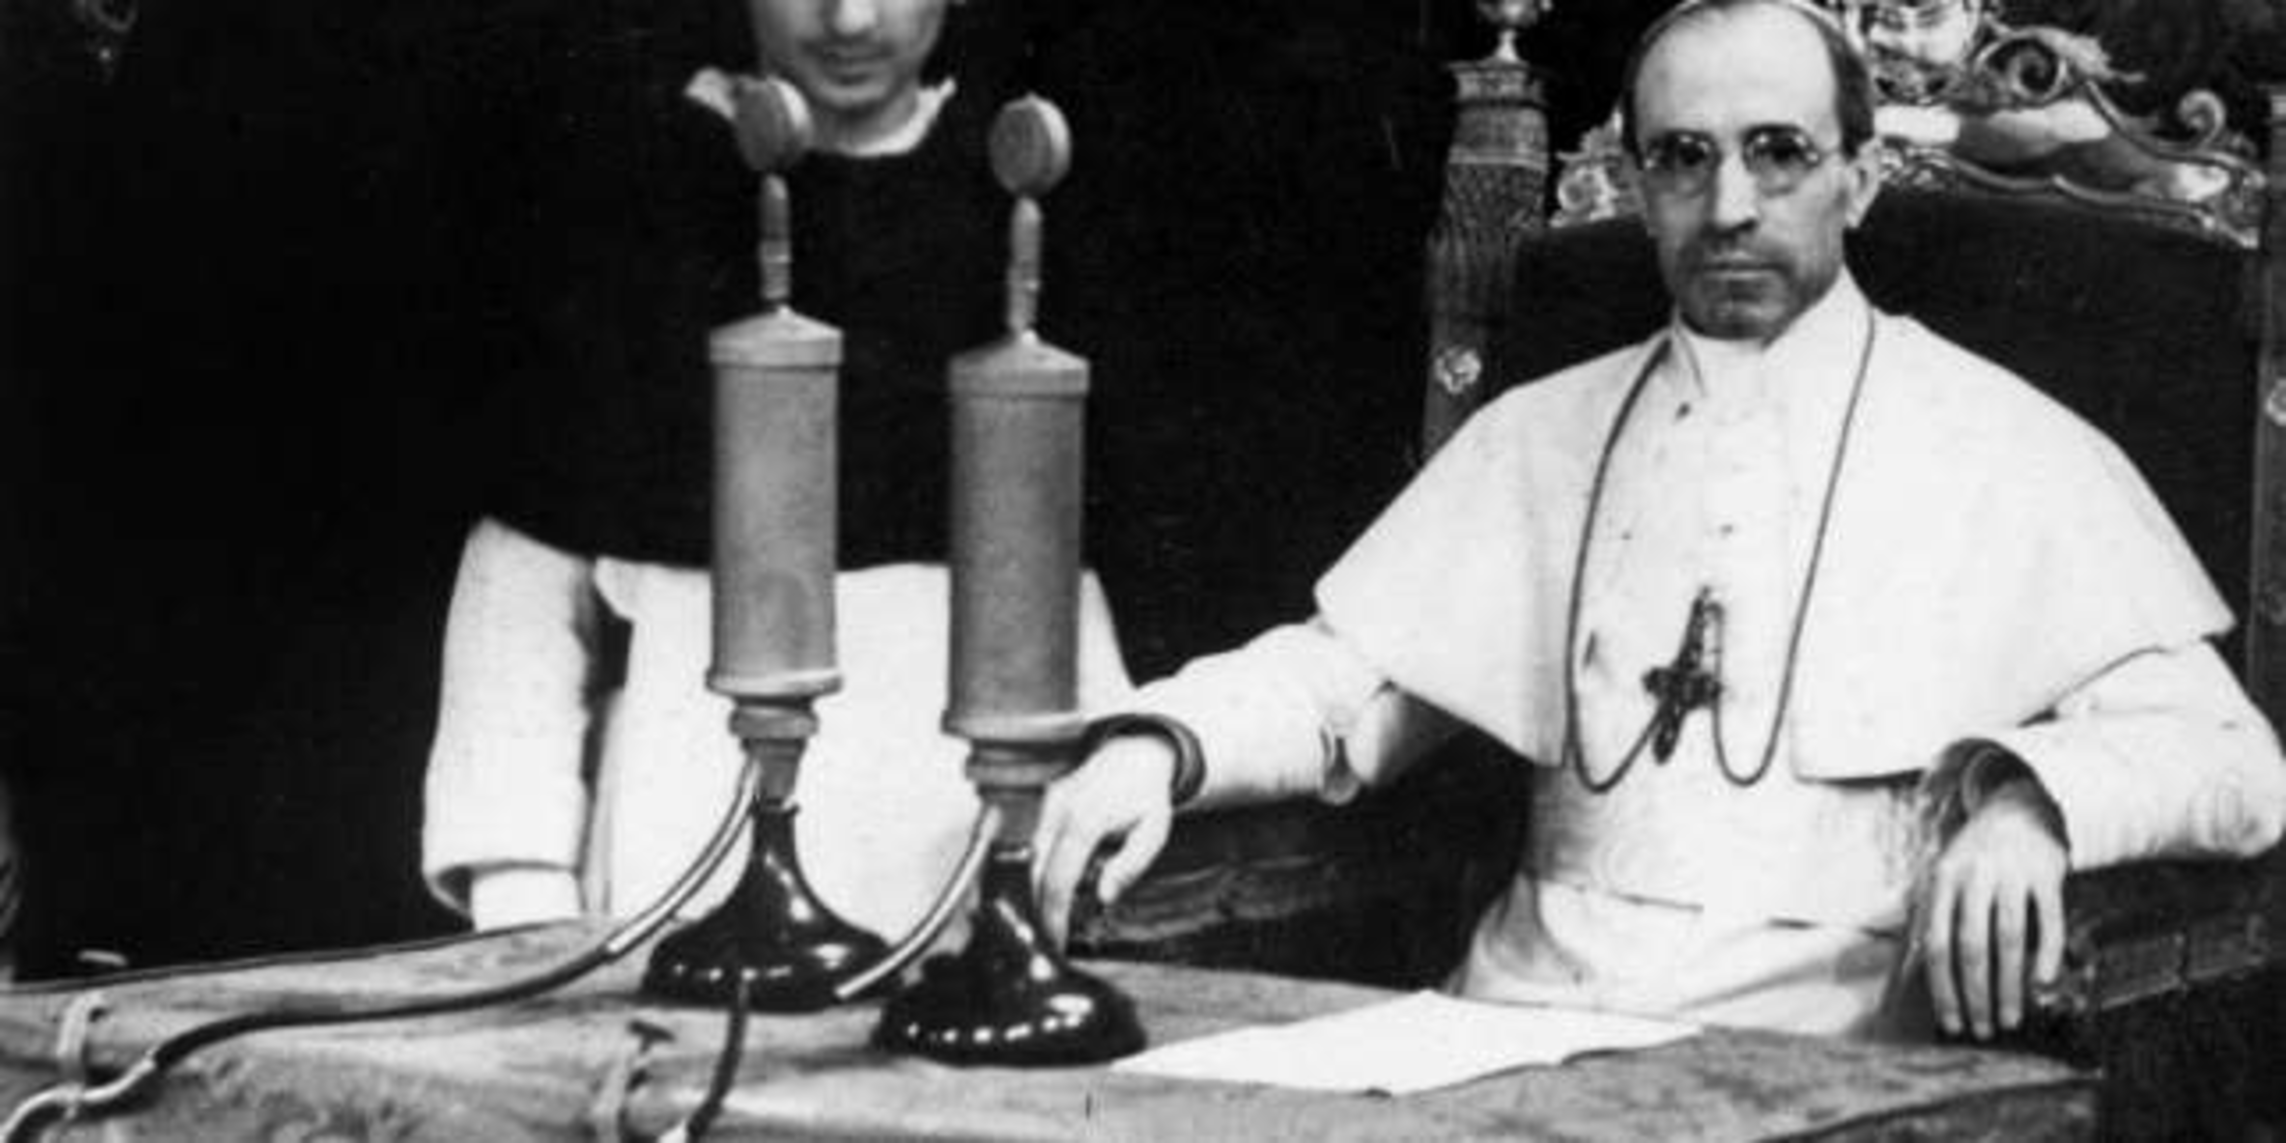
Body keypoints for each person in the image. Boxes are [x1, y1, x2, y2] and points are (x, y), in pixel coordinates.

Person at [1037, 0, 2286, 1042]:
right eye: (1684, 157)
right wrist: (1161, 746)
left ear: (1858, 179)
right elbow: (1341, 683)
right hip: (1503, 1031)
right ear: (1640, 186)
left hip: (1819, 1062)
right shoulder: (1538, 436)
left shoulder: (2011, 449)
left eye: (1779, 152)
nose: (1729, 203)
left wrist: (2036, 804)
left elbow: (2235, 765)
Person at [421, 0, 1132, 938]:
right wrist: (520, 887)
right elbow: (524, 576)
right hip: (687, 820)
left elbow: (1061, 580)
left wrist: (1107, 799)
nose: (851, 19)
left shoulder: (1016, 206)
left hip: (962, 836)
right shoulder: (636, 199)